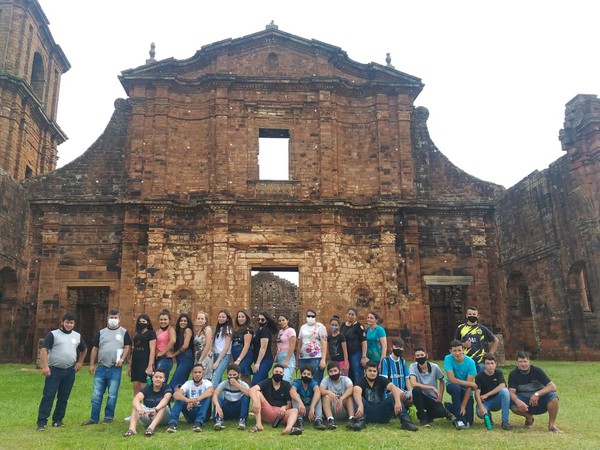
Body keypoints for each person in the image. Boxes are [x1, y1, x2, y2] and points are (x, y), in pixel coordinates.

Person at [36, 312, 88, 431]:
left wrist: (80, 362)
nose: (69, 325)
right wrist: (45, 366)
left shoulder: (77, 336)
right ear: (62, 322)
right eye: (67, 322)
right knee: (48, 396)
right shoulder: (53, 334)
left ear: (74, 324)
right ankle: (41, 422)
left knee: (63, 397)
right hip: (54, 370)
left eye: (71, 323)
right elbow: (44, 350)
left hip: (69, 371)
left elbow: (84, 349)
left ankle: (57, 420)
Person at [82, 310, 131, 425]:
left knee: (112, 394)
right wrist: (91, 364)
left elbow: (127, 346)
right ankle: (94, 417)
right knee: (96, 394)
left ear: (119, 319)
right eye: (111, 317)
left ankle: (108, 417)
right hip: (101, 367)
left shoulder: (123, 332)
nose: (113, 319)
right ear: (108, 318)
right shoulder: (101, 332)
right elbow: (95, 349)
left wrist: (122, 359)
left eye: (115, 317)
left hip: (115, 367)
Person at [349, 361, 417, 431]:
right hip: (367, 414)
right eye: (370, 371)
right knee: (356, 398)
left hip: (382, 413)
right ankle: (360, 421)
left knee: (393, 396)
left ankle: (406, 422)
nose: (372, 373)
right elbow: (356, 391)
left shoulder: (381, 379)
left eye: (374, 371)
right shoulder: (360, 382)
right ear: (365, 371)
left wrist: (397, 402)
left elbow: (393, 388)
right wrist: (360, 405)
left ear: (377, 372)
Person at [508, 351, 561, 433]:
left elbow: (552, 387)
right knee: (510, 402)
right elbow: (511, 392)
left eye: (525, 361)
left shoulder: (537, 371)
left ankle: (552, 425)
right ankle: (529, 417)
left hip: (539, 400)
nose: (523, 364)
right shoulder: (513, 374)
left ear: (530, 362)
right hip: (524, 401)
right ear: (516, 363)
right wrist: (517, 401)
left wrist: (537, 394)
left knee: (553, 398)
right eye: (520, 362)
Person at [248, 363, 302, 435]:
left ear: (283, 374)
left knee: (295, 410)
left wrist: (284, 407)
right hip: (268, 410)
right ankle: (258, 424)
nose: (278, 374)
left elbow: (289, 404)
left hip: (281, 414)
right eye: (276, 372)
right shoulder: (267, 382)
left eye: (280, 372)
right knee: (257, 393)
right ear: (272, 373)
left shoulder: (286, 385)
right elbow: (252, 389)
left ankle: (288, 428)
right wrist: (255, 401)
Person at [123, 369, 172, 437]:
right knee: (136, 405)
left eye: (160, 377)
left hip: (163, 417)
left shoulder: (167, 387)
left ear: (163, 380)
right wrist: (139, 408)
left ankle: (150, 429)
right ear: (152, 378)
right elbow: (136, 399)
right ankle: (132, 429)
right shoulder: (147, 388)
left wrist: (155, 409)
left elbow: (166, 399)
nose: (158, 379)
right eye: (156, 377)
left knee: (164, 406)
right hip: (148, 414)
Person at [409, 345, 450, 426]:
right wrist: (431, 387)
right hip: (420, 397)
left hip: (432, 398)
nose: (420, 357)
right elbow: (413, 383)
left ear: (426, 356)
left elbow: (442, 380)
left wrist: (440, 395)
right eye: (418, 356)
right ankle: (422, 418)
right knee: (416, 390)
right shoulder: (413, 366)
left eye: (422, 355)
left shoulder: (434, 367)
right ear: (414, 357)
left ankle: (427, 415)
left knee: (441, 412)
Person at [166, 364, 214, 433]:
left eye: (199, 372)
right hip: (190, 411)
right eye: (195, 372)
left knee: (207, 398)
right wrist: (188, 400)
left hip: (204, 412)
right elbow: (176, 394)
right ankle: (172, 423)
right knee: (179, 399)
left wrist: (197, 400)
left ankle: (198, 423)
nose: (197, 374)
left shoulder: (207, 382)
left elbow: (210, 391)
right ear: (192, 374)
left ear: (203, 373)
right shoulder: (188, 383)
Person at [444, 339, 477, 430]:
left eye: (459, 350)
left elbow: (469, 387)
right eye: (454, 351)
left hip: (466, 390)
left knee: (469, 421)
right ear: (450, 351)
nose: (457, 353)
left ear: (463, 350)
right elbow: (452, 379)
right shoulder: (448, 358)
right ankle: (459, 420)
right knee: (456, 388)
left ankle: (449, 407)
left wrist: (463, 405)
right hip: (452, 386)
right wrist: (470, 383)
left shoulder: (471, 362)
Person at [454, 306, 499, 373]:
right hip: (464, 359)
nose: (472, 316)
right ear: (466, 315)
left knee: (481, 377)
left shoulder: (482, 328)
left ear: (478, 316)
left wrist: (490, 354)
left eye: (474, 314)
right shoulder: (460, 327)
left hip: (479, 361)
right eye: (470, 314)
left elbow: (496, 340)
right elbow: (455, 343)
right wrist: (463, 344)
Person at [475, 353, 512, 430]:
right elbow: (477, 393)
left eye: (492, 363)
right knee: (480, 413)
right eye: (487, 363)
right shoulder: (479, 376)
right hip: (485, 402)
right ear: (484, 365)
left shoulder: (498, 372)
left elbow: (502, 385)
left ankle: (505, 421)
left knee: (505, 392)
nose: (490, 366)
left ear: (496, 364)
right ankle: (488, 416)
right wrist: (481, 407)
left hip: (496, 400)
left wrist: (487, 395)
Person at [213, 363, 252, 431]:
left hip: (237, 408)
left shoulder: (243, 384)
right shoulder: (224, 383)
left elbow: (249, 394)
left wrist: (237, 385)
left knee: (245, 397)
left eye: (234, 375)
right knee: (218, 399)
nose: (232, 377)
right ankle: (219, 420)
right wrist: (217, 406)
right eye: (230, 375)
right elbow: (215, 394)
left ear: (239, 375)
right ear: (227, 375)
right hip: (227, 407)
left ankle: (242, 420)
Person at [320, 361, 355, 430]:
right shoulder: (326, 379)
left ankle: (351, 419)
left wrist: (342, 398)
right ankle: (330, 420)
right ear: (328, 372)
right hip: (331, 408)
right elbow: (321, 390)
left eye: (335, 370)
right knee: (325, 396)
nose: (333, 373)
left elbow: (351, 388)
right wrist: (328, 392)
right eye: (331, 371)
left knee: (348, 397)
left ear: (339, 371)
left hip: (343, 408)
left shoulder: (345, 379)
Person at [290, 364, 326, 430]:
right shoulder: (297, 382)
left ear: (312, 376)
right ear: (300, 375)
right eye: (304, 374)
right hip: (300, 409)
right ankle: (299, 421)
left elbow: (317, 391)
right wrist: (300, 403)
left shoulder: (313, 382)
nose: (306, 376)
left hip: (311, 410)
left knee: (317, 395)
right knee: (295, 395)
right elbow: (292, 391)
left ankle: (318, 420)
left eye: (308, 374)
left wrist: (312, 407)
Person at [296, 308, 328, 383]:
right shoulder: (303, 327)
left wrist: (323, 359)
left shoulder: (320, 327)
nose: (310, 318)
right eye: (308, 316)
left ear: (315, 317)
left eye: (312, 316)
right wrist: (297, 360)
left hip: (316, 357)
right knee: (304, 380)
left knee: (316, 379)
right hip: (303, 357)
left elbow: (324, 343)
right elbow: (299, 344)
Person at [128, 314, 156, 396]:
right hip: (135, 362)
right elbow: (134, 350)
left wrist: (150, 365)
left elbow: (152, 350)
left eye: (144, 321)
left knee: (144, 388)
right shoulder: (137, 334)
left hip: (144, 362)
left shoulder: (151, 333)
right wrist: (130, 366)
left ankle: (146, 403)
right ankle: (136, 404)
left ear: (148, 323)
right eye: (140, 322)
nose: (141, 323)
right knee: (136, 388)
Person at [380, 338, 412, 405]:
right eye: (396, 347)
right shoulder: (386, 361)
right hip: (390, 392)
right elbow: (384, 380)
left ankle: (407, 407)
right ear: (392, 348)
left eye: (400, 347)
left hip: (403, 391)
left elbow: (406, 379)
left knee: (416, 393)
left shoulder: (402, 361)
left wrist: (410, 392)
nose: (399, 349)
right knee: (396, 396)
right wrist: (397, 390)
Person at [340, 307, 367, 383]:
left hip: (356, 353)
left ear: (356, 316)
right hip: (345, 354)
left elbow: (364, 342)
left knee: (357, 373)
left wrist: (363, 357)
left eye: (352, 314)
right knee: (347, 374)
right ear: (346, 314)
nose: (350, 316)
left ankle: (359, 389)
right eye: (349, 314)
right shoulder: (343, 325)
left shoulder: (359, 326)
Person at [170, 312, 195, 389]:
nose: (182, 322)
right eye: (181, 321)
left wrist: (173, 355)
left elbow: (185, 346)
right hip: (181, 358)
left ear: (188, 322)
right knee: (181, 383)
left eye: (185, 321)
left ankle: (172, 395)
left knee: (174, 382)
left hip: (186, 357)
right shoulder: (179, 331)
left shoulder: (187, 330)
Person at [251, 311, 277, 385]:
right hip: (260, 359)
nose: (260, 321)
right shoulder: (259, 330)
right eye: (258, 319)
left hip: (265, 359)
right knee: (263, 383)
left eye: (262, 319)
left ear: (267, 320)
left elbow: (263, 347)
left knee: (255, 383)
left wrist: (258, 363)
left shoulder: (265, 331)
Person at [212, 309, 233, 388]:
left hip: (224, 356)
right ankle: (221, 396)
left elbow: (227, 346)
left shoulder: (228, 329)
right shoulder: (219, 329)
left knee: (214, 380)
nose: (221, 318)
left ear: (227, 319)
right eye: (219, 317)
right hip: (216, 355)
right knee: (218, 381)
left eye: (223, 317)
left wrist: (217, 361)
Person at [232, 309, 254, 385]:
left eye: (242, 317)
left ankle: (249, 390)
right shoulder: (238, 329)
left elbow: (246, 345)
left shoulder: (248, 329)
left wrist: (239, 359)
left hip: (245, 355)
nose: (240, 319)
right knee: (240, 374)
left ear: (246, 318)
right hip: (237, 354)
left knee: (244, 373)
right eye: (239, 317)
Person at [155, 310, 176, 382]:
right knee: (155, 380)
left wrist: (162, 353)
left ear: (169, 321)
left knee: (161, 380)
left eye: (165, 319)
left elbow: (173, 340)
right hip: (157, 358)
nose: (163, 321)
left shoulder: (170, 329)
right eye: (161, 319)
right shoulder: (157, 331)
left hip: (165, 359)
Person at [276, 313, 297, 382]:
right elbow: (279, 344)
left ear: (287, 320)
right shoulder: (280, 332)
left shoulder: (291, 330)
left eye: (283, 320)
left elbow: (292, 345)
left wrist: (287, 360)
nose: (281, 322)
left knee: (285, 378)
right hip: (280, 356)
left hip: (287, 356)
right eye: (280, 321)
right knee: (280, 379)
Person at [193, 311, 213, 380]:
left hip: (205, 356)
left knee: (204, 377)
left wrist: (200, 360)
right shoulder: (198, 330)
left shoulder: (207, 329)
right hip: (198, 356)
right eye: (198, 318)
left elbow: (208, 345)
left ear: (205, 320)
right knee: (197, 377)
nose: (200, 320)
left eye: (202, 319)